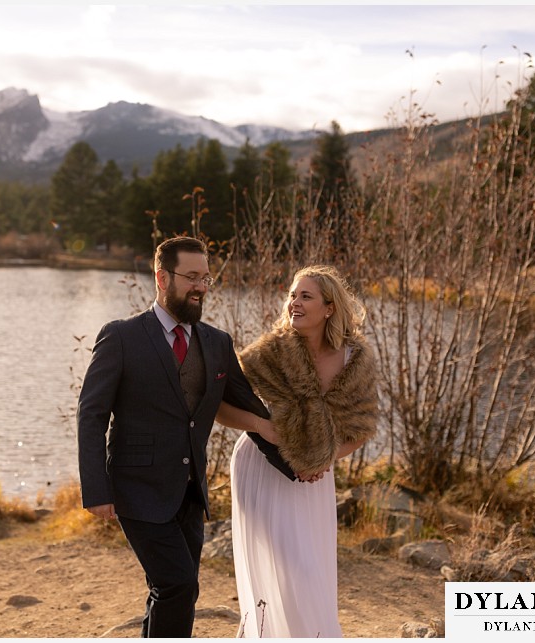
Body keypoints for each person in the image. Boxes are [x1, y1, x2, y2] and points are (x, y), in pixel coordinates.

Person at [76, 236, 281, 638]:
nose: (201, 286)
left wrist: (299, 461)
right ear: (162, 278)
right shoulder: (121, 336)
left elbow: (251, 409)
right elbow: (91, 414)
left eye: (206, 277)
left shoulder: (218, 343)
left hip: (190, 494)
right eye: (191, 277)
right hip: (136, 489)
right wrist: (96, 489)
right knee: (178, 584)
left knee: (174, 589)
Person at [216, 264, 379, 638]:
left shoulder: (355, 359)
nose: (295, 303)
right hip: (260, 465)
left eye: (306, 296)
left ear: (329, 308)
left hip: (314, 476)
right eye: (292, 294)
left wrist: (319, 460)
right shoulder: (267, 353)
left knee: (308, 569)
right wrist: (262, 426)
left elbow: (362, 428)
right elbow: (222, 409)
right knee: (276, 567)